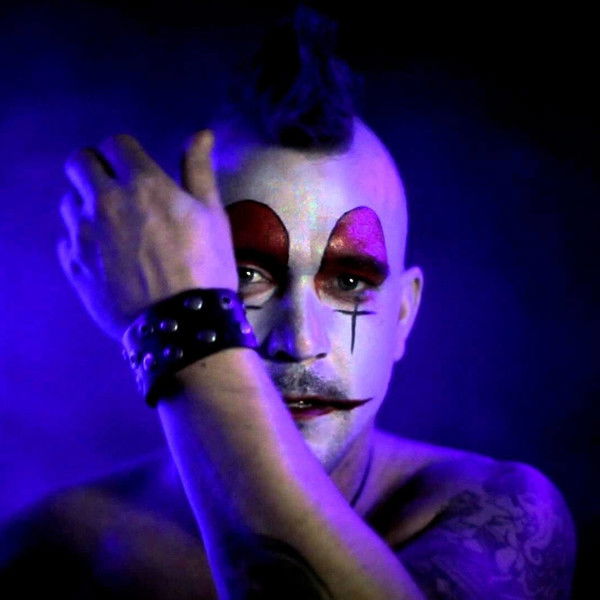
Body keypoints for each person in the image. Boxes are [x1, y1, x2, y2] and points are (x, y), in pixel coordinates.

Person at [0, 8, 576, 599]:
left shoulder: (500, 515)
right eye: (245, 275)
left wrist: (181, 319)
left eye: (349, 281)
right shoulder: (54, 555)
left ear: (404, 316)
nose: (299, 340)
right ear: (149, 274)